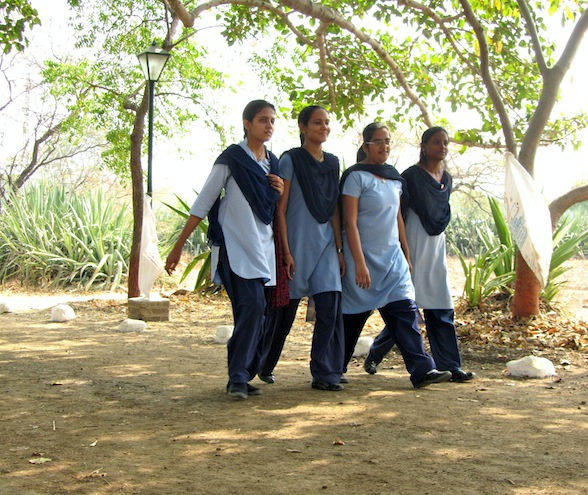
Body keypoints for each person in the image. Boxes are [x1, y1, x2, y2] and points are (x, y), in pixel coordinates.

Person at [165, 100, 284, 400]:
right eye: (262, 120)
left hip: (264, 248)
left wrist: (279, 190)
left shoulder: (273, 163)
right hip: (235, 247)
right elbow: (204, 202)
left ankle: (243, 373)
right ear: (247, 123)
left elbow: (273, 209)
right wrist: (178, 247)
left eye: (272, 120)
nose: (269, 125)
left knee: (260, 312)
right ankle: (238, 377)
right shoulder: (231, 159)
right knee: (251, 307)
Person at [340, 122, 452, 388]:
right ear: (366, 145)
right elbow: (349, 223)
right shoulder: (355, 177)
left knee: (405, 312)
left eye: (387, 141)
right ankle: (333, 367)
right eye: (378, 141)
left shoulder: (394, 179)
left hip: (393, 260)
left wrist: (406, 254)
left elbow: (398, 219)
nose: (384, 146)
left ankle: (422, 369)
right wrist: (359, 263)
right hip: (364, 260)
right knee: (353, 318)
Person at [363, 126, 475, 383]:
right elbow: (398, 214)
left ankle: (450, 366)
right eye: (436, 142)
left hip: (436, 246)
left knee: (440, 304)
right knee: (405, 308)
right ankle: (376, 353)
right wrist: (402, 250)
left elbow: (441, 214)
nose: (442, 147)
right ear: (423, 146)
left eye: (445, 143)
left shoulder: (446, 178)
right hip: (413, 244)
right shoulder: (411, 176)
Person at [258, 105, 346, 391]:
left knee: (330, 307)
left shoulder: (333, 163)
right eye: (317, 122)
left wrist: (340, 249)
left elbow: (334, 208)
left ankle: (325, 372)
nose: (324, 127)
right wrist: (285, 252)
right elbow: (280, 209)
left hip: (326, 247)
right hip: (296, 246)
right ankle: (263, 363)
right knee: (283, 315)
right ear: (303, 127)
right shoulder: (291, 160)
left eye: (327, 122)